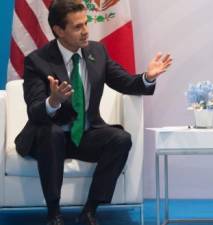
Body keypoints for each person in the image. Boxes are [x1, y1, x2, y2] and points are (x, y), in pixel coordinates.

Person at [14, 0, 172, 225]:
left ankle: (89, 211)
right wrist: (53, 101)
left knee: (120, 139)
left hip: (85, 134)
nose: (86, 31)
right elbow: (35, 111)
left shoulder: (96, 51)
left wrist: (148, 77)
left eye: (86, 23)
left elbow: (126, 82)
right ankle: (54, 214)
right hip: (49, 137)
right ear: (59, 31)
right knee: (52, 133)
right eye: (78, 27)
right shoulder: (37, 61)